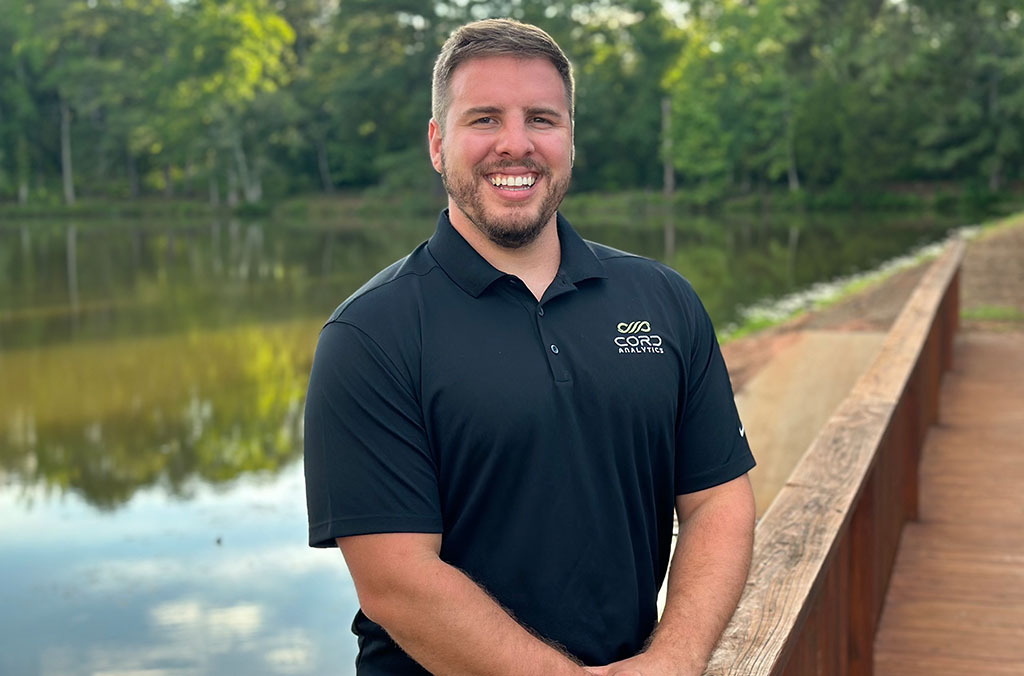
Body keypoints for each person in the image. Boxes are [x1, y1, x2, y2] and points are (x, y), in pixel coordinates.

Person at [304, 18, 756, 676]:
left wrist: (676, 659)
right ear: (438, 143)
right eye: (484, 119)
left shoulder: (663, 301)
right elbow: (397, 580)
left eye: (541, 119)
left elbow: (718, 498)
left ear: (570, 139)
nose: (515, 146)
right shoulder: (371, 336)